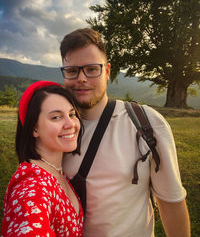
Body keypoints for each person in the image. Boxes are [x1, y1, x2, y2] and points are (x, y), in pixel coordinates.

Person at [60, 28, 191, 237]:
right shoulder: (55, 129)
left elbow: (171, 202)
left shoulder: (146, 123)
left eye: (92, 69)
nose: (82, 78)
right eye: (72, 70)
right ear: (64, 73)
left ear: (108, 71)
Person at [1, 81, 84, 237]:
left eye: (72, 114)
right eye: (56, 117)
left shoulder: (56, 170)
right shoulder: (32, 187)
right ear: (34, 128)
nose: (70, 124)